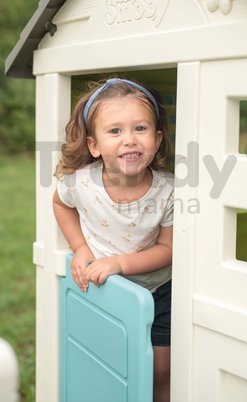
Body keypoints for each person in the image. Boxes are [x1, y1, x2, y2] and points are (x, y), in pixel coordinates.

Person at [53, 77, 174, 402]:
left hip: (159, 291)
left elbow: (168, 249)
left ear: (157, 138)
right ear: (94, 145)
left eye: (141, 129)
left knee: (161, 369)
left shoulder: (169, 191)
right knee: (110, 361)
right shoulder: (81, 184)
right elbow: (60, 203)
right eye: (115, 131)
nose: (129, 140)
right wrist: (80, 247)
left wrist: (120, 263)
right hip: (104, 290)